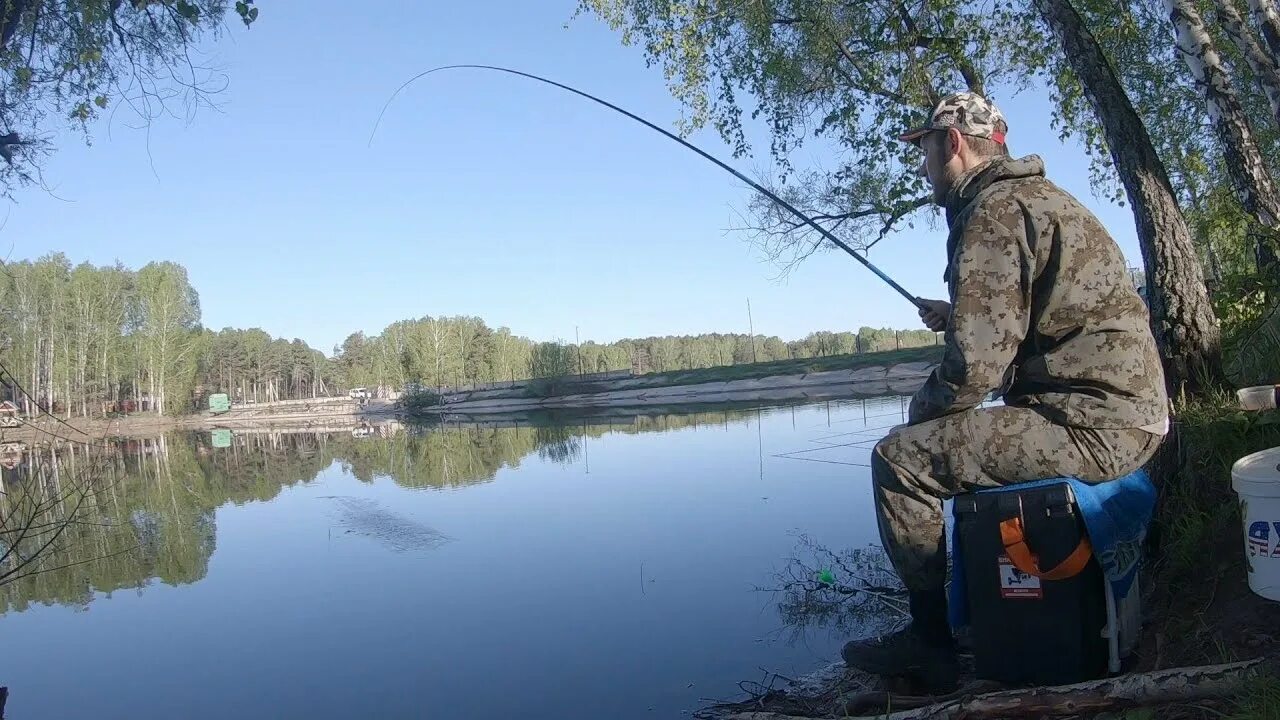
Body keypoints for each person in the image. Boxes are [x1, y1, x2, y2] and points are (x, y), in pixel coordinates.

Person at [839, 92, 1170, 692]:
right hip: (1125, 413)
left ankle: (931, 647)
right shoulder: (1042, 199)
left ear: (954, 145)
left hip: (1093, 426)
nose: (924, 166)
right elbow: (1037, 318)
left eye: (926, 151)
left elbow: (974, 372)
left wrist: (917, 417)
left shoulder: (991, 213)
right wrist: (959, 310)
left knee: (899, 461)